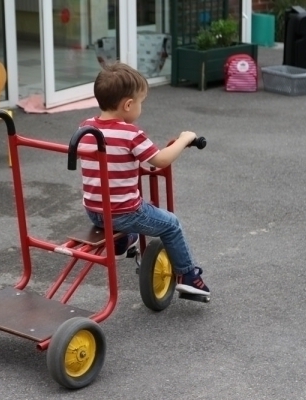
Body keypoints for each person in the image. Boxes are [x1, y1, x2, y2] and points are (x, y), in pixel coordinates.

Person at [77, 62, 209, 296]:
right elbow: (160, 160)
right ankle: (188, 275)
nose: (141, 108)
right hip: (123, 213)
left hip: (94, 211)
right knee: (171, 224)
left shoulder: (86, 128)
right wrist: (184, 139)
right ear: (128, 105)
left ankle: (121, 243)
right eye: (140, 102)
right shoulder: (131, 134)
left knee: (130, 211)